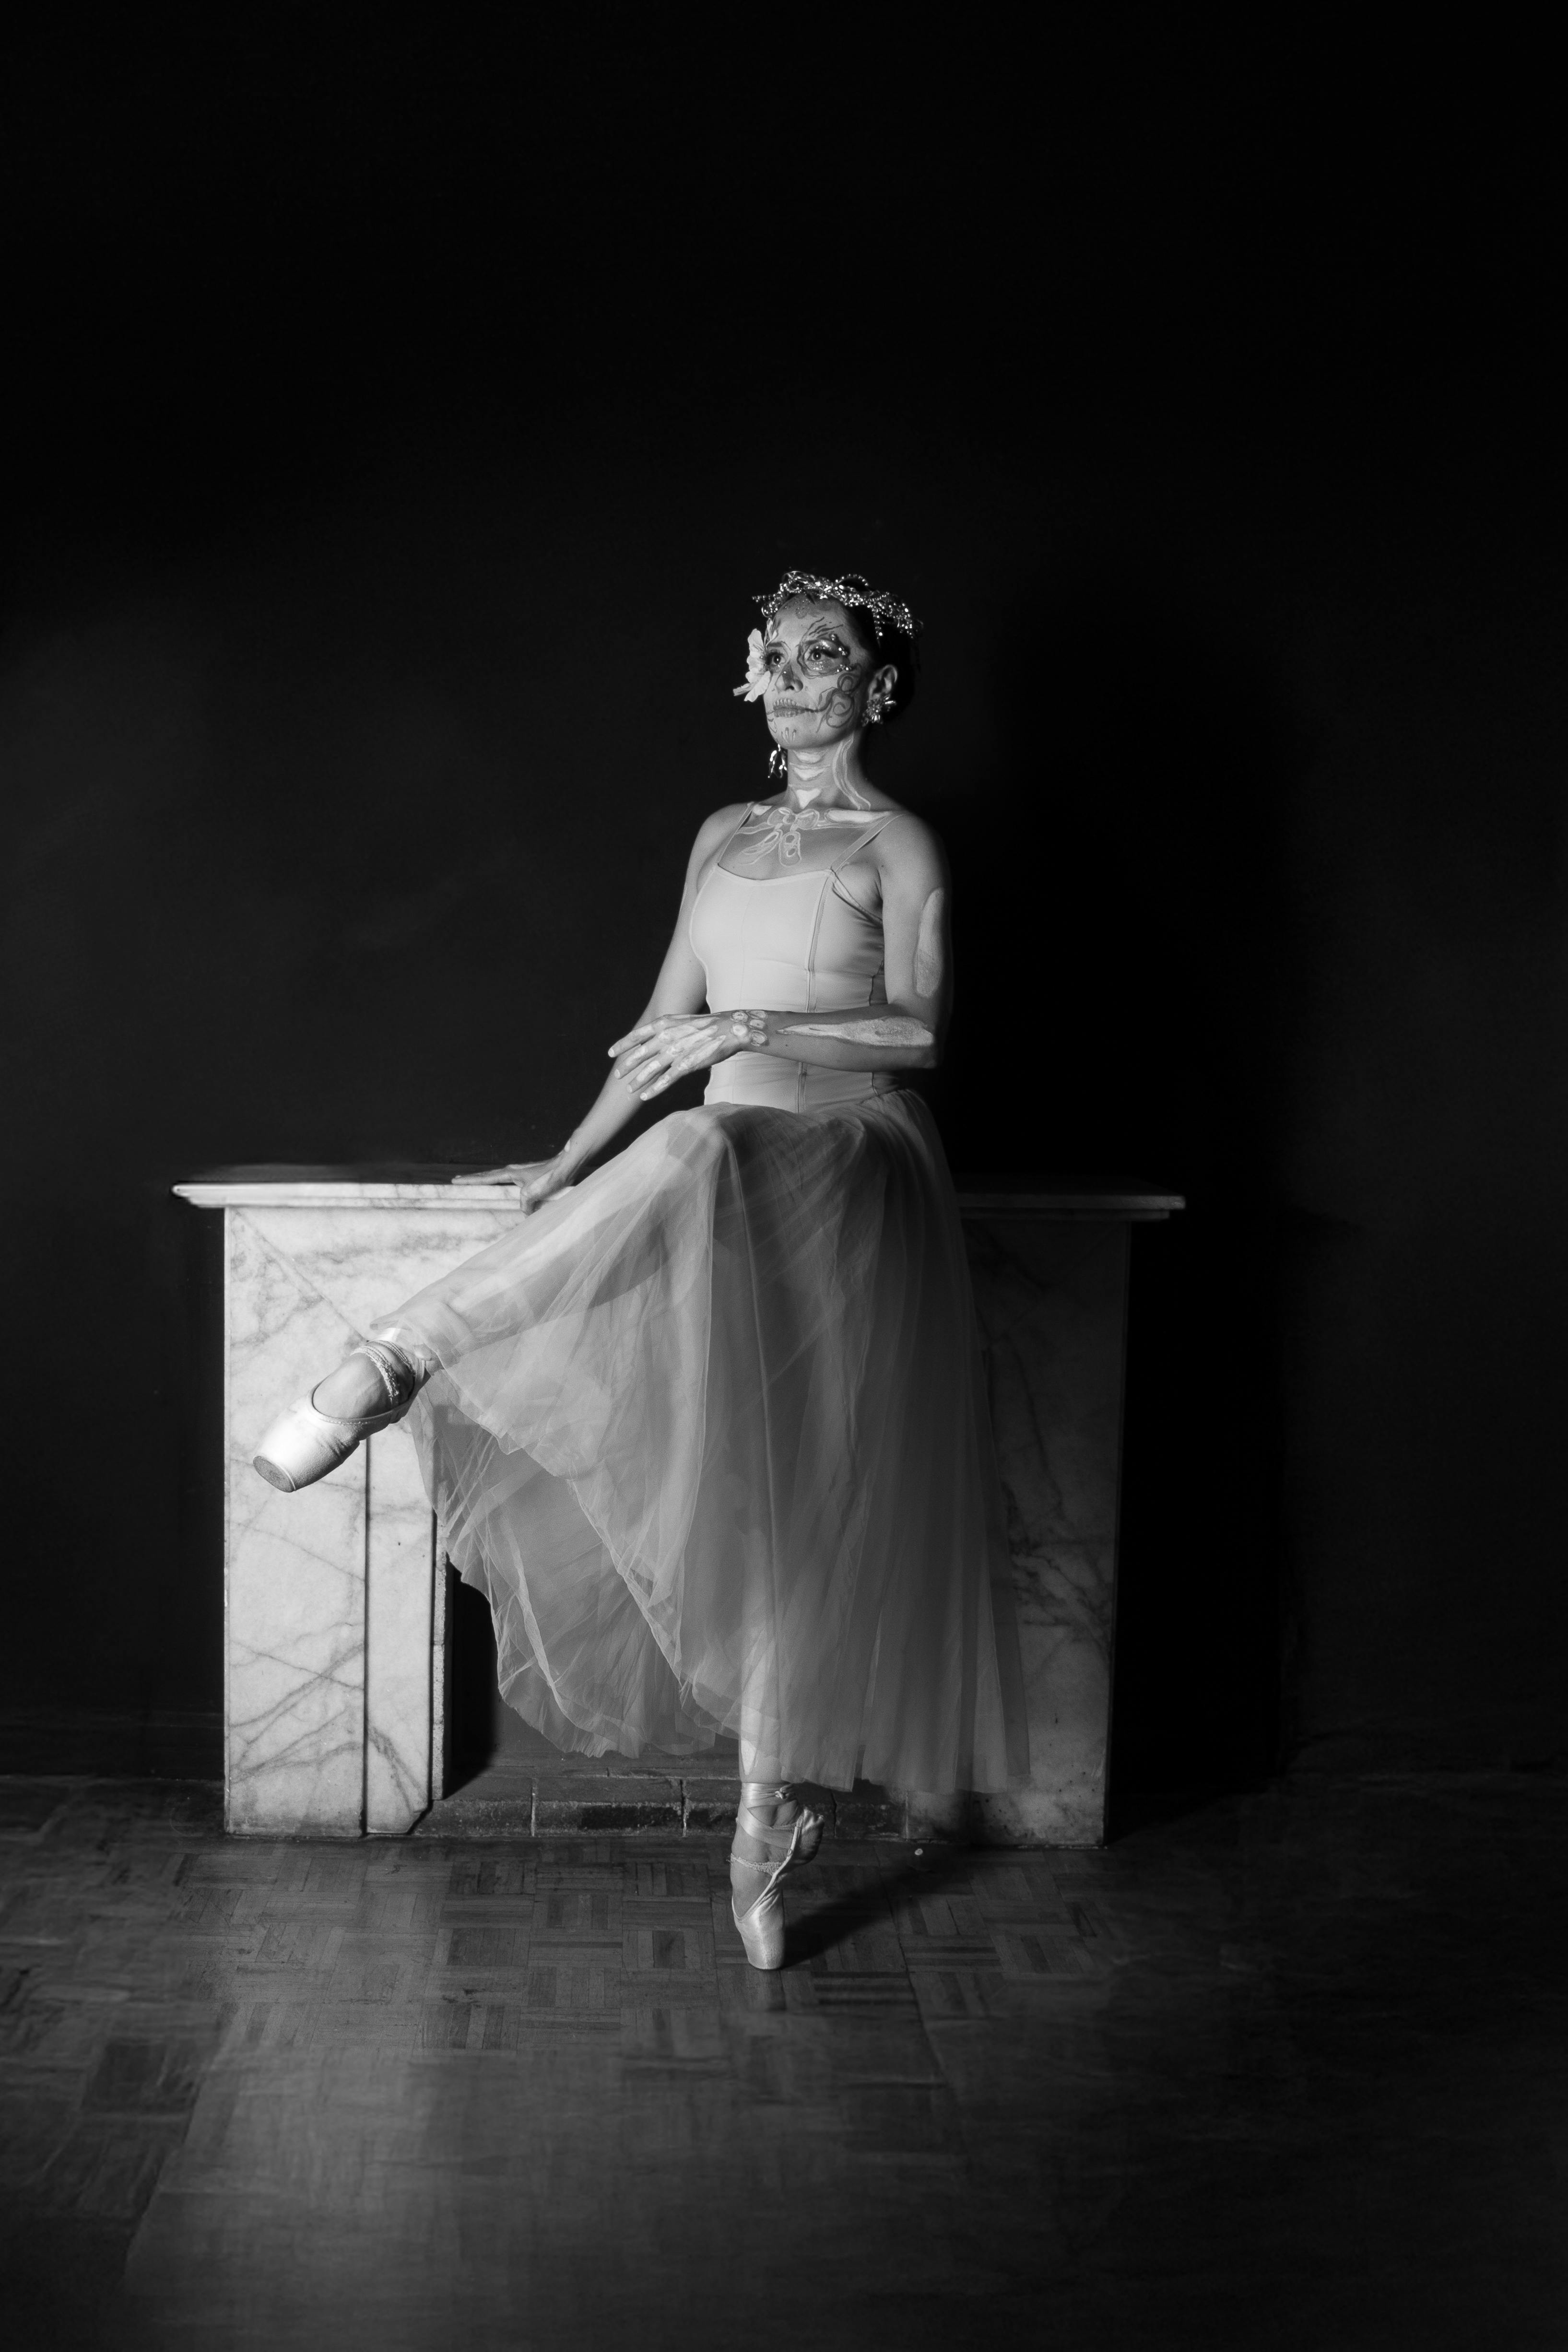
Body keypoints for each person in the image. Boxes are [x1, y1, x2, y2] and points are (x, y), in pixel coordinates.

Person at [253, 570, 1026, 1969]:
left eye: (823, 655)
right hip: (721, 1159)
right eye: (774, 653)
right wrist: (560, 1169)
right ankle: (394, 1363)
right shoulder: (722, 833)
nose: (788, 675)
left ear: (878, 686)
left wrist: (754, 1025)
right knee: (760, 1480)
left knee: (735, 1246)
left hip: (851, 1155)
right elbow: (662, 1029)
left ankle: (393, 1356)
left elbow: (921, 1033)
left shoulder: (897, 842)